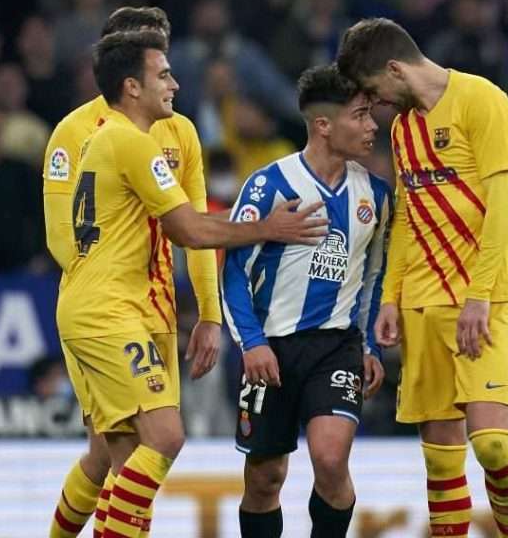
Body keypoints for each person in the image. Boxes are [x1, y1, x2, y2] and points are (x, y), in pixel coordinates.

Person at [50, 29, 327, 538]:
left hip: (103, 306)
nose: (175, 84)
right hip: (107, 310)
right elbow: (192, 228)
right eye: (164, 74)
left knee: (125, 456)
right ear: (132, 87)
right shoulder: (130, 142)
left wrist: (206, 311)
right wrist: (270, 226)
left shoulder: (109, 136)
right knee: (165, 436)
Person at [337, 18, 508, 538]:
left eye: (375, 90)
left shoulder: (482, 101)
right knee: (442, 464)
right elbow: (407, 213)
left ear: (395, 69)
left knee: (491, 445)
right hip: (423, 298)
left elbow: (504, 206)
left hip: (483, 298)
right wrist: (391, 297)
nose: (375, 105)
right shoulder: (404, 128)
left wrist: (480, 296)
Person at [222, 65, 390, 538]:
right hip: (270, 348)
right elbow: (234, 271)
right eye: (360, 115)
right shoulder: (267, 185)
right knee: (264, 479)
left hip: (335, 347)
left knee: (331, 461)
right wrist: (251, 343)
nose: (372, 126)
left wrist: (371, 347)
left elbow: (374, 279)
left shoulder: (376, 196)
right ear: (323, 124)